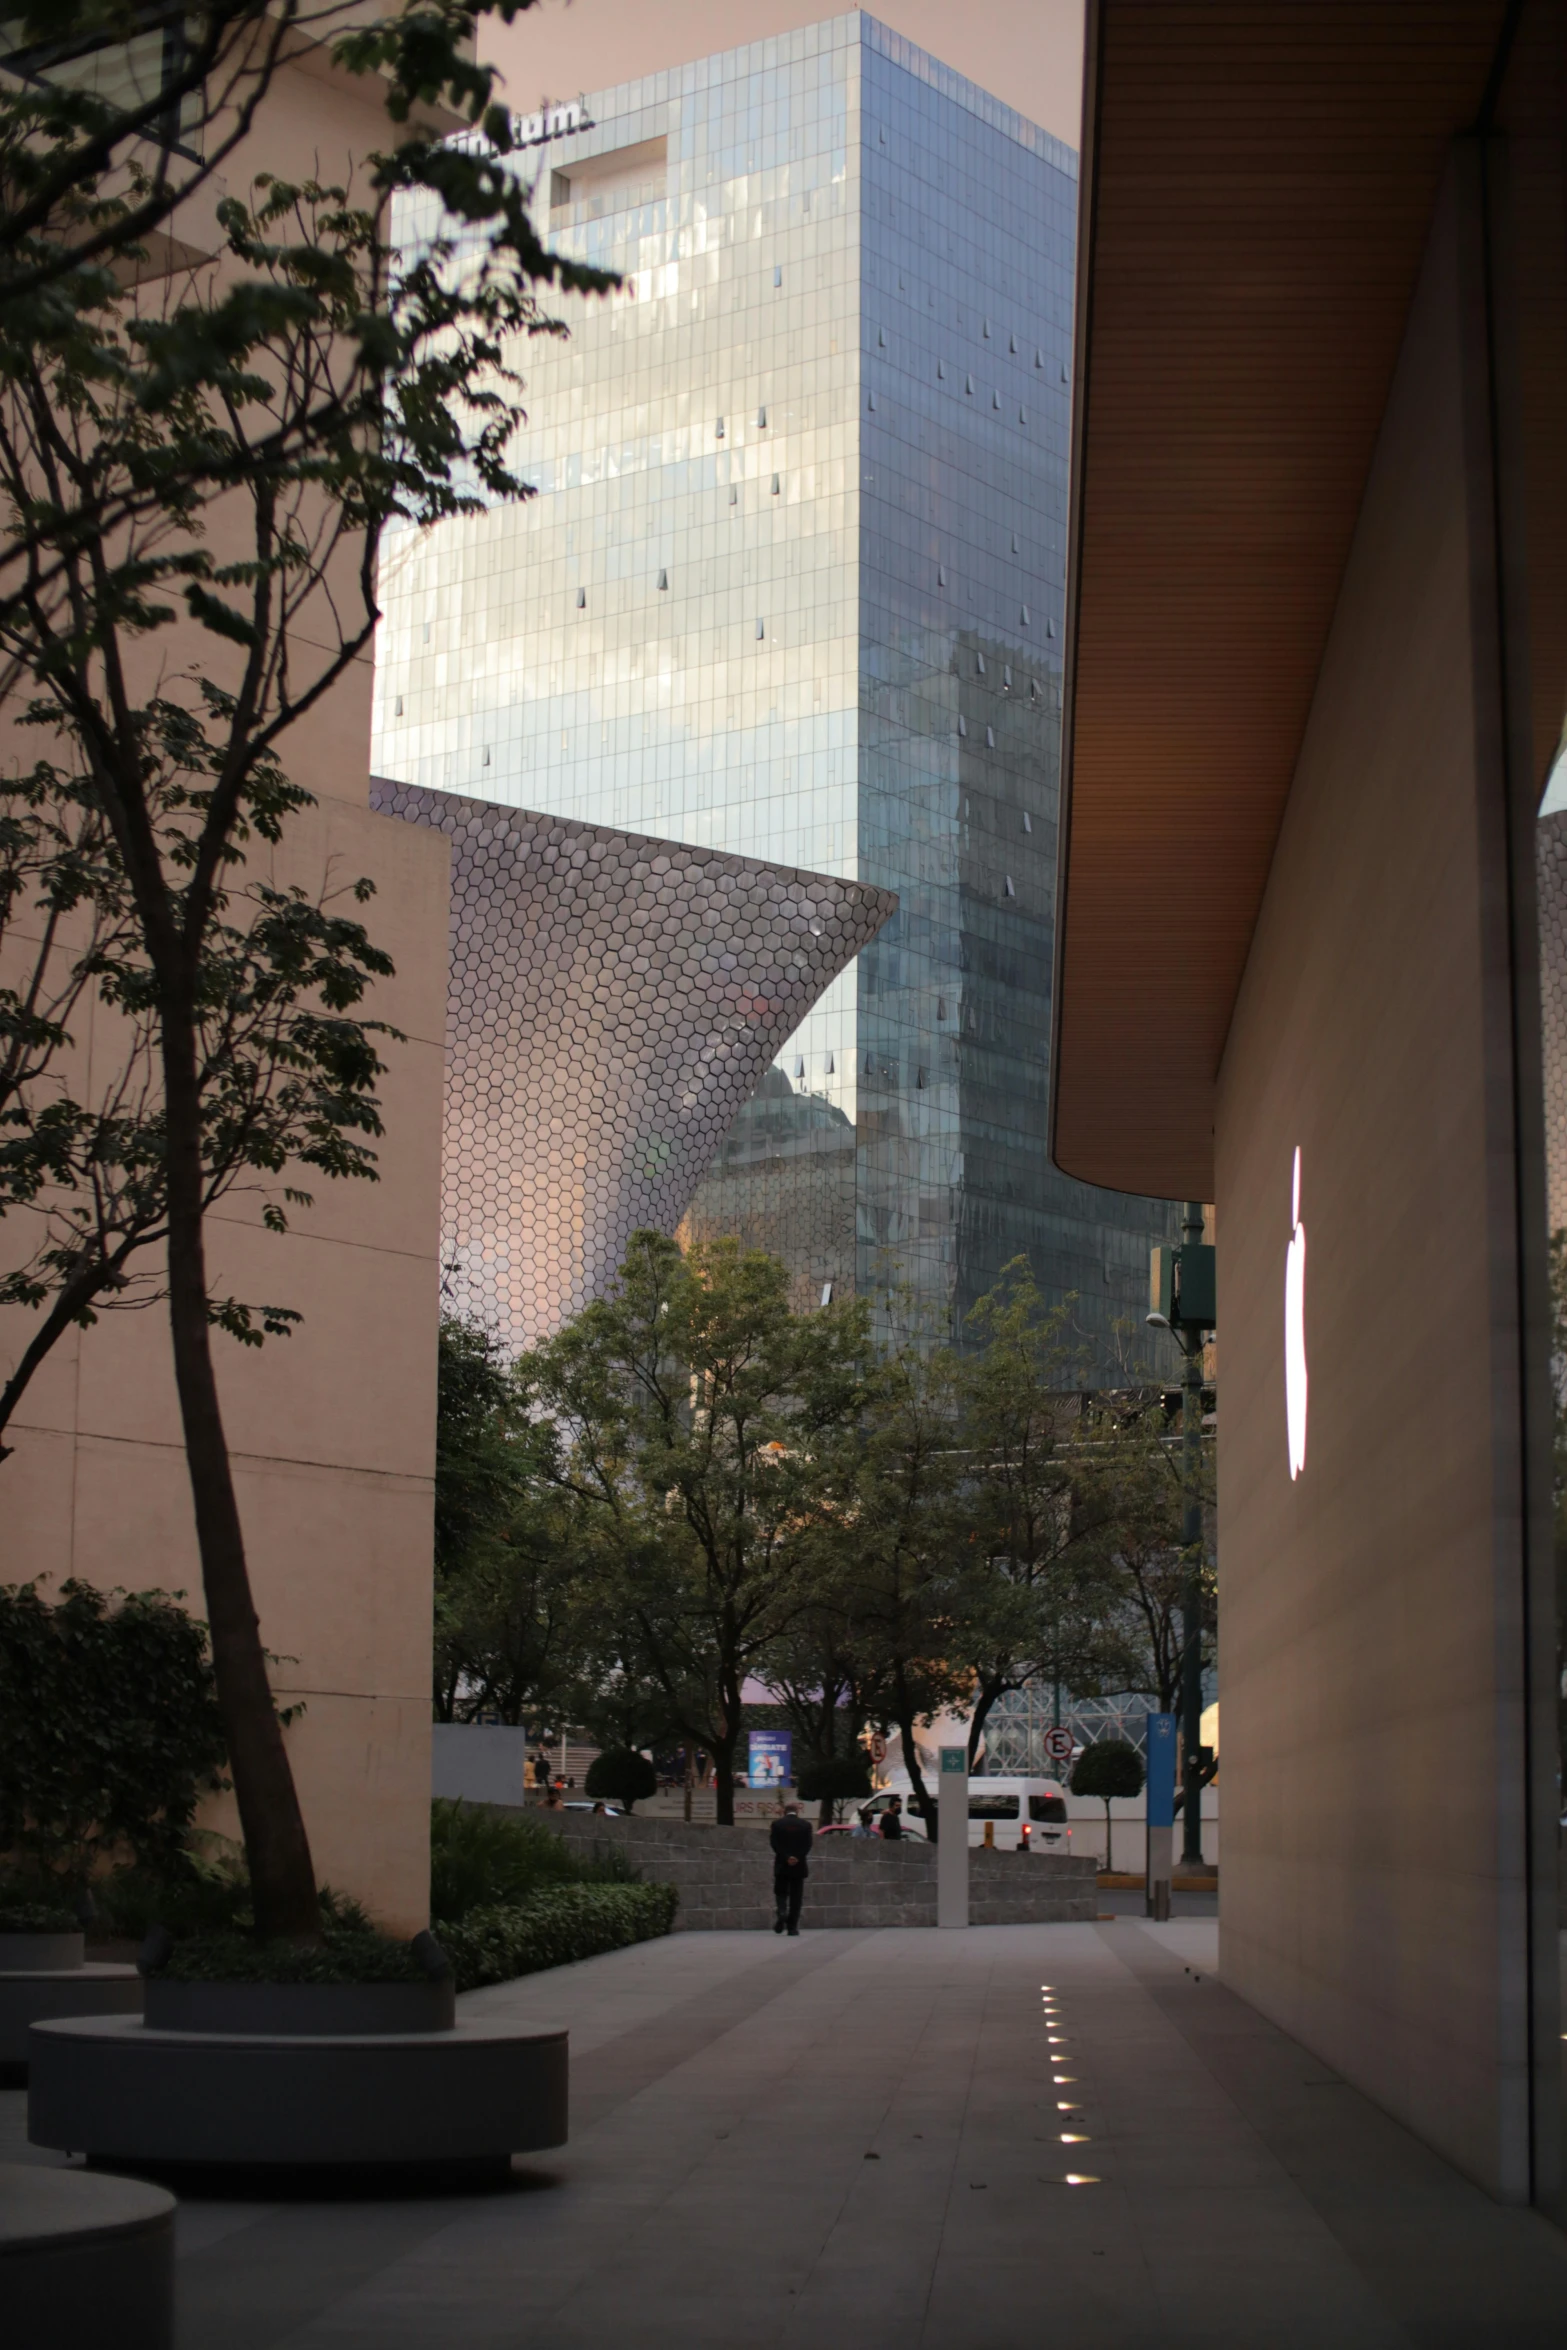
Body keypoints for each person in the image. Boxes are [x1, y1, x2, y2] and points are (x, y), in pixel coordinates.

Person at [770, 1801, 813, 1935]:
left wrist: (786, 1857)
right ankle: (792, 1927)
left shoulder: (777, 1825)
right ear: (797, 1811)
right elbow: (807, 1845)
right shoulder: (806, 1825)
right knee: (796, 1897)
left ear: (784, 1811)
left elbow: (774, 1844)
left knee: (781, 1892)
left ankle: (782, 1911)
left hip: (782, 1865)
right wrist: (796, 1857)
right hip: (798, 1866)